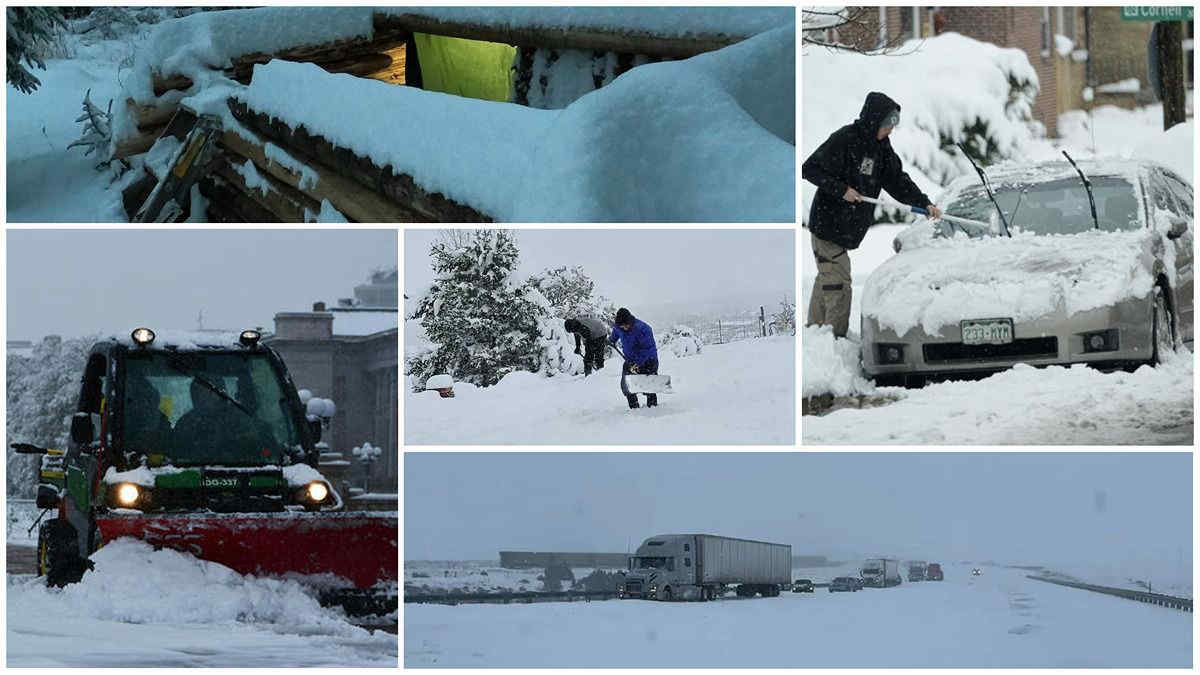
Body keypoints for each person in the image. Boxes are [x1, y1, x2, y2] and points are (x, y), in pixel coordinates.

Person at [802, 91, 942, 337]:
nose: (890, 130)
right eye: (887, 124)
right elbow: (809, 169)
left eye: (892, 125)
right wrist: (841, 189)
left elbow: (898, 181)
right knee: (838, 283)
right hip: (827, 224)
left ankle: (815, 335)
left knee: (828, 277)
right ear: (873, 120)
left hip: (846, 229)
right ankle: (834, 339)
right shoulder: (845, 139)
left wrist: (924, 204)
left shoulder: (882, 149)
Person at [608, 307, 659, 409]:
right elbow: (616, 333)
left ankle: (653, 409)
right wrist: (611, 340)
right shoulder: (619, 327)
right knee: (626, 386)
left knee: (648, 386)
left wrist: (638, 363)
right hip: (630, 360)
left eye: (626, 325)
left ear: (630, 321)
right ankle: (634, 408)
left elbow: (648, 349)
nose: (624, 328)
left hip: (648, 360)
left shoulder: (643, 329)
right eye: (622, 326)